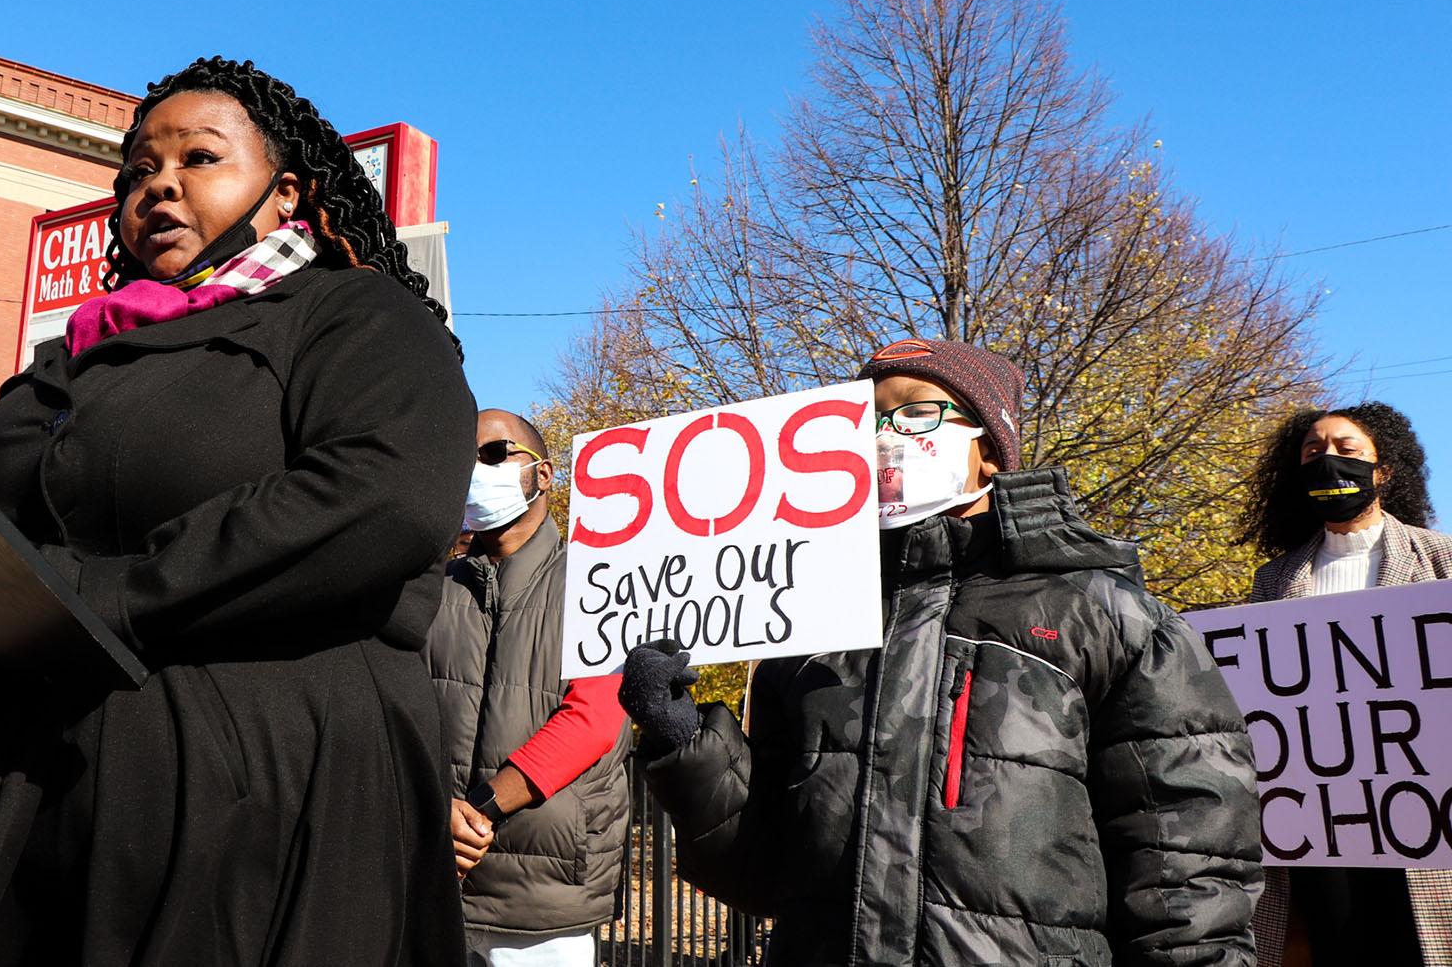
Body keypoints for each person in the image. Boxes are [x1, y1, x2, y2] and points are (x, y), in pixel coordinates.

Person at [0, 57, 478, 966]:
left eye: (199, 159)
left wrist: (94, 594)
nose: (160, 186)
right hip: (15, 786)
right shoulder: (85, 352)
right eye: (139, 171)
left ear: (286, 193)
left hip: (252, 798)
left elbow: (382, 498)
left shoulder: (354, 315)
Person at [618, 337, 1264, 966]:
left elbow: (1189, 873)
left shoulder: (1103, 615)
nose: (883, 436)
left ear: (991, 449)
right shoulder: (811, 624)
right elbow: (759, 875)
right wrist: (685, 743)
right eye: (863, 421)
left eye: (917, 412)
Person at [1238, 402, 1452, 967]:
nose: (1328, 460)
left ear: (1383, 470)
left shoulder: (1441, 561)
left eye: (1347, 450)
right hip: (1323, 824)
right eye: (1313, 452)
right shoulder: (1275, 580)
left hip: (1426, 815)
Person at [424, 409, 631, 967]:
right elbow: (398, 706)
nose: (476, 470)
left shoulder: (599, 579)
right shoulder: (431, 588)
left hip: (545, 902)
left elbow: (593, 719)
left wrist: (479, 812)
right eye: (464, 458)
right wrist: (434, 808)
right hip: (435, 888)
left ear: (544, 475)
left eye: (494, 454)